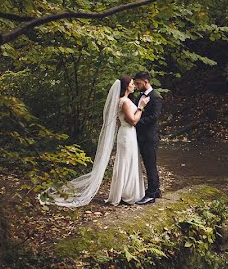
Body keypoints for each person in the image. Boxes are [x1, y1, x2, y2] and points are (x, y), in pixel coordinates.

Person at [40, 76, 149, 207]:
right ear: (126, 87)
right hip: (127, 134)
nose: (134, 86)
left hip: (127, 134)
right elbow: (133, 120)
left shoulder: (124, 100)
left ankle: (127, 192)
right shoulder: (124, 102)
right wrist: (141, 107)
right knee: (125, 162)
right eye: (132, 84)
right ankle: (124, 194)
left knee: (129, 162)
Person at [132, 71, 163, 204]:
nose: (137, 86)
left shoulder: (155, 97)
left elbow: (154, 117)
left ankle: (151, 194)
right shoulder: (140, 95)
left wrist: (136, 122)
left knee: (150, 165)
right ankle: (156, 191)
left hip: (150, 136)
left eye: (138, 83)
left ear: (146, 82)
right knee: (149, 164)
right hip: (142, 136)